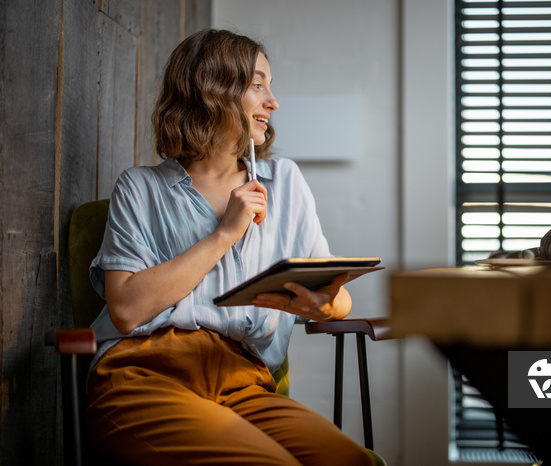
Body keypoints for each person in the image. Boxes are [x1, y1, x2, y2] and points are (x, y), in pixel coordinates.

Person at [86, 29, 374, 466]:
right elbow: (125, 310)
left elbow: (335, 291)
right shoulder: (140, 188)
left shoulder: (286, 183)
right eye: (258, 85)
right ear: (212, 90)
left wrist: (326, 305)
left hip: (244, 381)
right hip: (144, 373)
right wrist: (225, 233)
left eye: (269, 86)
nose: (273, 102)